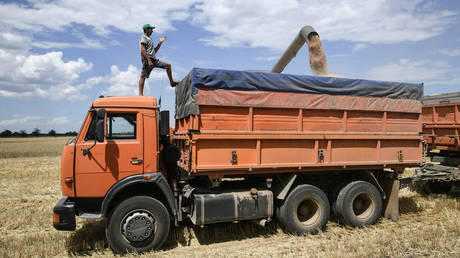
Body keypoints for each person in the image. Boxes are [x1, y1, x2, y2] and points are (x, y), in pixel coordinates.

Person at [139, 24, 178, 96]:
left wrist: (160, 43)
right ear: (147, 29)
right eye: (151, 29)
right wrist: (149, 60)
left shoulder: (149, 39)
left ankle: (172, 83)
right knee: (143, 76)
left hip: (153, 60)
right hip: (148, 60)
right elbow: (142, 49)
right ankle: (140, 94)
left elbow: (154, 51)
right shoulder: (143, 37)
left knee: (168, 66)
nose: (152, 31)